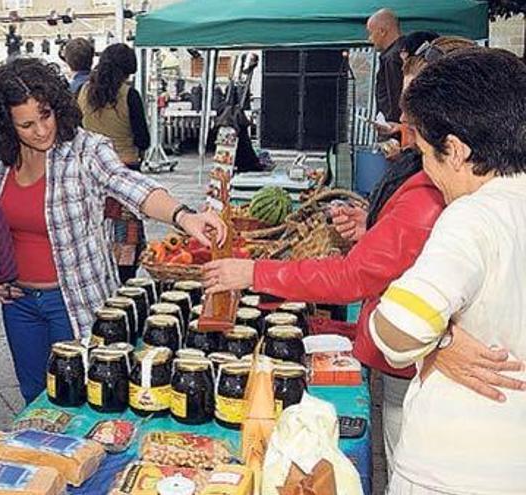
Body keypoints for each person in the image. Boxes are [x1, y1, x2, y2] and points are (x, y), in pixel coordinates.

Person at [200, 37, 510, 476]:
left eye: (412, 107)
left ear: (455, 139)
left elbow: (368, 293)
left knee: (401, 452)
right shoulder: (471, 194)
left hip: (446, 427)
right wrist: (377, 227)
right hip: (459, 415)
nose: (401, 117)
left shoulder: (452, 204)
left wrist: (252, 271)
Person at [0, 58, 225, 404]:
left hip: (74, 300)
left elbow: (133, 187)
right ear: (7, 125)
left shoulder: (85, 149)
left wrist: (184, 216)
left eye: (46, 115)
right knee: (33, 399)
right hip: (19, 304)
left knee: (81, 396)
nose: (41, 130)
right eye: (26, 124)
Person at [370, 47, 526, 495]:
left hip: (456, 470)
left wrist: (439, 340)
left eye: (425, 154)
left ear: (455, 151)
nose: (427, 170)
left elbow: (399, 326)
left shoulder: (474, 216)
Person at [77, 43, 150, 283]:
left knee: (96, 234)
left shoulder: (84, 92)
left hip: (90, 176)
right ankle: (124, 290)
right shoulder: (129, 95)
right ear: (129, 69)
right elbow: (143, 139)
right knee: (127, 243)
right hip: (124, 175)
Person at [366, 8, 405, 125]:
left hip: (394, 127)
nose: (369, 39)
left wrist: (391, 125)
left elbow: (395, 94)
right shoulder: (403, 50)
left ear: (382, 31)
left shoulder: (392, 58)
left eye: (371, 33)